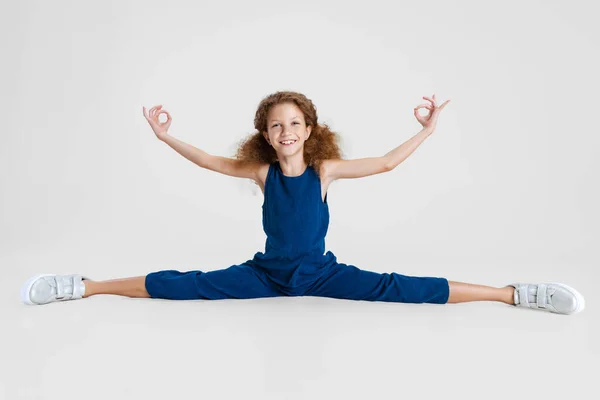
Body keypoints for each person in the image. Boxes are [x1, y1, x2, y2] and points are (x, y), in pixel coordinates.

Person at [21, 91, 585, 315]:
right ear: (264, 135)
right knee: (181, 284)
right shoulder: (264, 172)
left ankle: (515, 294)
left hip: (319, 274)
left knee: (408, 289)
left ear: (309, 128)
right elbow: (210, 163)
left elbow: (387, 163)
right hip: (267, 275)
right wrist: (166, 136)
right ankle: (82, 285)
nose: (286, 131)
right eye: (275, 125)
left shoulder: (324, 170)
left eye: (295, 123)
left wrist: (428, 132)